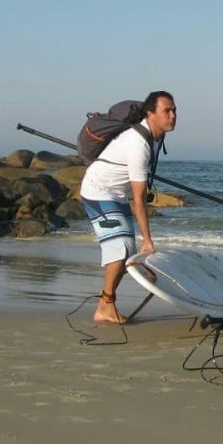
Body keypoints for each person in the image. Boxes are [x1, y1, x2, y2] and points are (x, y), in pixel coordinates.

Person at [80, 91, 177, 323]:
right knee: (122, 248)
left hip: (116, 195)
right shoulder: (138, 144)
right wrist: (147, 239)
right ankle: (106, 306)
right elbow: (139, 198)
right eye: (167, 111)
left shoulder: (156, 137)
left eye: (175, 110)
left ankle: (105, 305)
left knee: (125, 251)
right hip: (98, 191)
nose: (173, 116)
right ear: (150, 113)